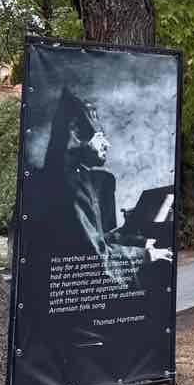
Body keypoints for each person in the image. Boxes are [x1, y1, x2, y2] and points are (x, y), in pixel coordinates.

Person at [42, 86, 172, 278]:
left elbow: (98, 239)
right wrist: (146, 255)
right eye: (100, 136)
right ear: (76, 137)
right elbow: (96, 257)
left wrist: (142, 243)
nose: (107, 144)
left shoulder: (75, 177)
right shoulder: (70, 187)